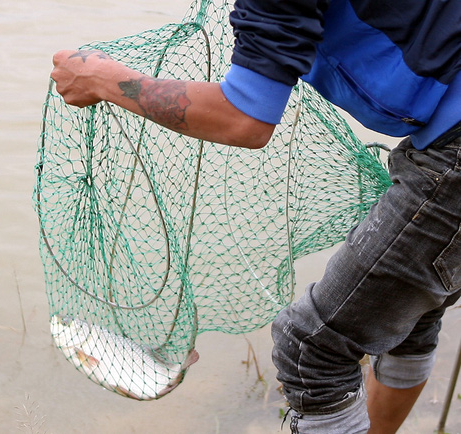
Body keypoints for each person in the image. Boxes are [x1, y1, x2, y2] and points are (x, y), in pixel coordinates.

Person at [50, 0, 461, 432]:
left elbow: (245, 118)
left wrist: (102, 79)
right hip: (440, 133)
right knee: (406, 312)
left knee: (310, 347)